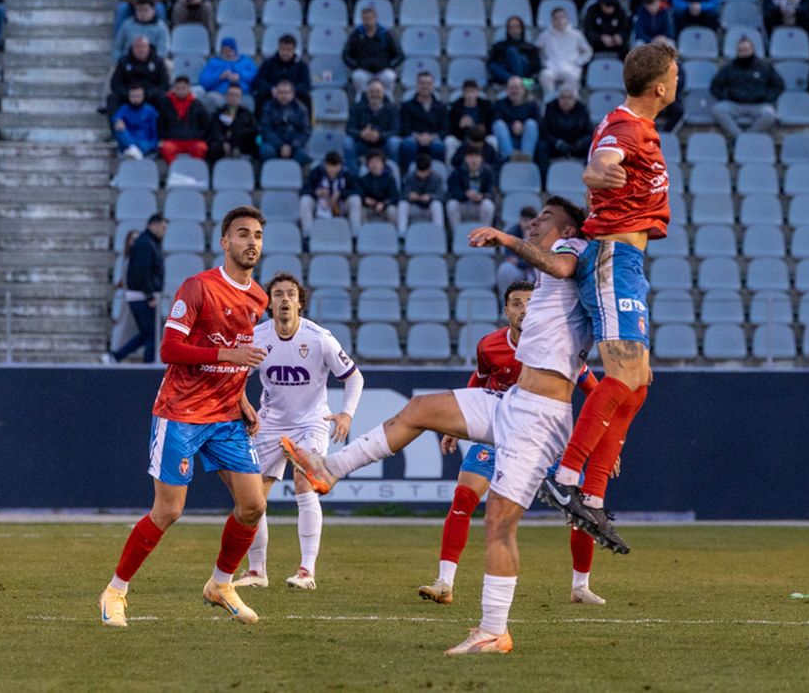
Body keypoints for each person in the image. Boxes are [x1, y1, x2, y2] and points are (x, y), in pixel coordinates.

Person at [281, 198, 593, 654]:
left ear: (565, 229)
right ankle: (329, 470)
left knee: (499, 525)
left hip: (540, 418)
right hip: (512, 401)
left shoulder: (574, 256)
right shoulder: (546, 277)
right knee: (421, 408)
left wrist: (505, 238)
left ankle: (494, 629)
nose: (533, 222)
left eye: (544, 218)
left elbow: (564, 266)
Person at [98, 206, 270, 629]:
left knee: (253, 506)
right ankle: (114, 591)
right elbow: (170, 350)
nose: (252, 242)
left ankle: (220, 584)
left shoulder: (259, 298)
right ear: (225, 242)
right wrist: (227, 354)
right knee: (169, 511)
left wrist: (243, 396)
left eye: (258, 236)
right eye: (243, 234)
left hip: (227, 416)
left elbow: (240, 361)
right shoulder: (197, 288)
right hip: (181, 412)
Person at [535, 45, 677, 552]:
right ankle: (566, 476)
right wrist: (598, 175)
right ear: (660, 85)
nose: (677, 81)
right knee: (622, 375)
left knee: (637, 382)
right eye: (675, 74)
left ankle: (591, 495)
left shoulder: (638, 126)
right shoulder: (626, 126)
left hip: (630, 262)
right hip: (613, 257)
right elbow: (598, 166)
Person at [416, 285, 605, 608]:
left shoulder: (561, 346)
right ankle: (444, 582)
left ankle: (580, 587)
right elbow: (478, 382)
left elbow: (597, 393)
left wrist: (603, 444)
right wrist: (457, 424)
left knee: (583, 510)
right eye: (516, 303)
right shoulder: (490, 345)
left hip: (547, 440)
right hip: (500, 436)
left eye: (530, 302)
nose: (524, 309)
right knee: (464, 496)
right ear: (507, 311)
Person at [229, 274, 361, 592]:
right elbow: (234, 378)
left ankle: (306, 571)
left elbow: (354, 377)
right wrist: (244, 406)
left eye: (290, 294)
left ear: (300, 302)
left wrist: (346, 414)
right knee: (252, 499)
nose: (284, 300)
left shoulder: (319, 338)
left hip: (310, 423)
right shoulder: (258, 337)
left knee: (305, 484)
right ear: (269, 303)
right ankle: (257, 571)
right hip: (269, 423)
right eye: (278, 295)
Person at [108, 214, 166, 364]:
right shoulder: (146, 243)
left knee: (148, 334)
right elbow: (143, 271)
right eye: (163, 227)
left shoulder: (148, 242)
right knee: (153, 334)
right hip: (142, 296)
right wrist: (149, 295)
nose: (164, 231)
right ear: (155, 225)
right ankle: (148, 365)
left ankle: (116, 357)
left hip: (141, 295)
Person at [711, 37, 784, 138]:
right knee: (717, 110)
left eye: (746, 50)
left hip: (758, 105)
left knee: (770, 114)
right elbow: (715, 86)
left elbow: (779, 85)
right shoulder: (729, 67)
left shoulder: (764, 66)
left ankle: (745, 138)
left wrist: (767, 98)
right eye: (741, 50)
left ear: (752, 50)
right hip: (735, 104)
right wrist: (726, 96)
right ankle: (740, 137)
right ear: (737, 52)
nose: (744, 53)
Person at [342, 5, 401, 95]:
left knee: (389, 76)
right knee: (358, 76)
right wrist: (357, 65)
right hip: (364, 70)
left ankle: (388, 102)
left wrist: (388, 65)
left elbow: (399, 55)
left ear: (375, 18)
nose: (367, 21)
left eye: (370, 18)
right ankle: (361, 103)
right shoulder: (357, 34)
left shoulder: (385, 34)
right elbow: (346, 55)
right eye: (365, 19)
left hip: (382, 70)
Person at [299, 151, 359, 237]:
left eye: (336, 167)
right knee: (305, 200)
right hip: (320, 203)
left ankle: (355, 237)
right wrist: (316, 192)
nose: (332, 170)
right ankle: (308, 236)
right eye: (330, 166)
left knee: (355, 200)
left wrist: (340, 194)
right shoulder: (316, 173)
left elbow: (357, 190)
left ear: (340, 166)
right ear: (325, 164)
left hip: (340, 204)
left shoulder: (347, 174)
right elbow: (304, 190)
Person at [398, 71, 447, 169]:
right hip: (414, 138)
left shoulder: (441, 106)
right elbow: (404, 128)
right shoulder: (407, 106)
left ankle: (436, 173)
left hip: (433, 139)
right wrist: (418, 137)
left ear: (433, 86)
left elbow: (445, 129)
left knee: (439, 146)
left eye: (428, 83)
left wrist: (431, 137)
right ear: (417, 85)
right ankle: (408, 174)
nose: (425, 86)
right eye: (422, 83)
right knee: (408, 144)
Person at [252, 34, 311, 115]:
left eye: (289, 50)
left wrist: (291, 91)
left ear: (294, 50)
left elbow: (306, 84)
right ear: (278, 48)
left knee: (306, 98)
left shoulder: (301, 65)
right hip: (272, 94)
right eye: (283, 49)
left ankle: (306, 126)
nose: (285, 53)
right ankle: (259, 125)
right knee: (260, 96)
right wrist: (272, 89)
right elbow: (259, 81)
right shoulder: (268, 63)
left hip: (294, 95)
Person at [157, 76, 211, 164]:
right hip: (173, 140)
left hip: (193, 140)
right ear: (174, 88)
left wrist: (195, 135)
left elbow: (205, 125)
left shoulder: (197, 104)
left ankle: (194, 170)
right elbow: (161, 125)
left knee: (201, 147)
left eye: (183, 88)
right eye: (178, 88)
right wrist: (169, 135)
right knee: (166, 148)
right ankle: (175, 170)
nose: (180, 91)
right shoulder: (166, 104)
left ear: (189, 88)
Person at [257, 79, 311, 165]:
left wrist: (291, 146)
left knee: (305, 154)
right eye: (281, 92)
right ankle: (272, 172)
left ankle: (290, 173)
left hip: (294, 146)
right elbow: (266, 129)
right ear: (276, 93)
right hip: (273, 144)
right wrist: (281, 145)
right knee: (265, 150)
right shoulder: (268, 107)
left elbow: (305, 132)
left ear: (292, 93)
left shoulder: (301, 109)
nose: (284, 95)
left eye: (286, 92)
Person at [346, 78, 398, 165]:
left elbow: (396, 130)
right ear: (366, 93)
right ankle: (352, 175)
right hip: (362, 143)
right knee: (347, 142)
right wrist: (361, 133)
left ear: (383, 93)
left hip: (383, 143)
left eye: (377, 91)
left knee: (393, 142)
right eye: (371, 91)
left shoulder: (392, 109)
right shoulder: (356, 107)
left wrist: (379, 135)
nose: (374, 95)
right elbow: (349, 129)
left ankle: (392, 172)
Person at [445, 147, 496, 229]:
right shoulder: (457, 172)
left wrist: (482, 196)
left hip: (479, 205)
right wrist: (466, 194)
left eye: (476, 157)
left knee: (488, 205)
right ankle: (456, 235)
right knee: (452, 204)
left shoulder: (488, 172)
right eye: (470, 157)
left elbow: (491, 192)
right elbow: (452, 192)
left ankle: (485, 236)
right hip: (463, 204)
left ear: (481, 158)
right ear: (465, 158)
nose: (473, 160)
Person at [206, 84, 258, 160]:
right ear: (226, 96)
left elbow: (253, 130)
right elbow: (215, 130)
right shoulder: (219, 113)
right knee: (213, 147)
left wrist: (234, 139)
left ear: (240, 98)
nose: (233, 98)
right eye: (231, 95)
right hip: (222, 145)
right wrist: (224, 141)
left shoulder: (247, 114)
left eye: (236, 95)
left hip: (242, 144)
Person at [487, 16, 541, 87]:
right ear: (507, 30)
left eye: (517, 27)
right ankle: (521, 83)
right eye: (511, 27)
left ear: (522, 29)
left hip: (524, 72)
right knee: (492, 66)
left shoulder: (530, 47)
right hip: (505, 73)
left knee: (512, 52)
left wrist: (519, 60)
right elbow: (491, 62)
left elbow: (536, 67)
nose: (514, 30)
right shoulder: (499, 45)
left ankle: (517, 82)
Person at [398, 153, 445, 234]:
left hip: (430, 205)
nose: (422, 174)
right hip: (414, 204)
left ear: (429, 169)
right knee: (402, 204)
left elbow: (441, 196)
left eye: (424, 172)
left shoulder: (437, 178)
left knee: (437, 205)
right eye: (420, 172)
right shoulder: (410, 177)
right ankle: (402, 233)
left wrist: (430, 197)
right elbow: (402, 194)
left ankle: (438, 233)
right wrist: (409, 195)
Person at [112, 84, 158, 159]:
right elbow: (116, 118)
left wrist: (153, 145)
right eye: (133, 96)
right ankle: (134, 150)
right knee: (118, 127)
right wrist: (118, 122)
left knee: (144, 146)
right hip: (127, 139)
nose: (135, 99)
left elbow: (154, 130)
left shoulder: (150, 110)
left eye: (138, 96)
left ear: (143, 96)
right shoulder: (124, 109)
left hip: (144, 142)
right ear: (129, 97)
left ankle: (132, 151)